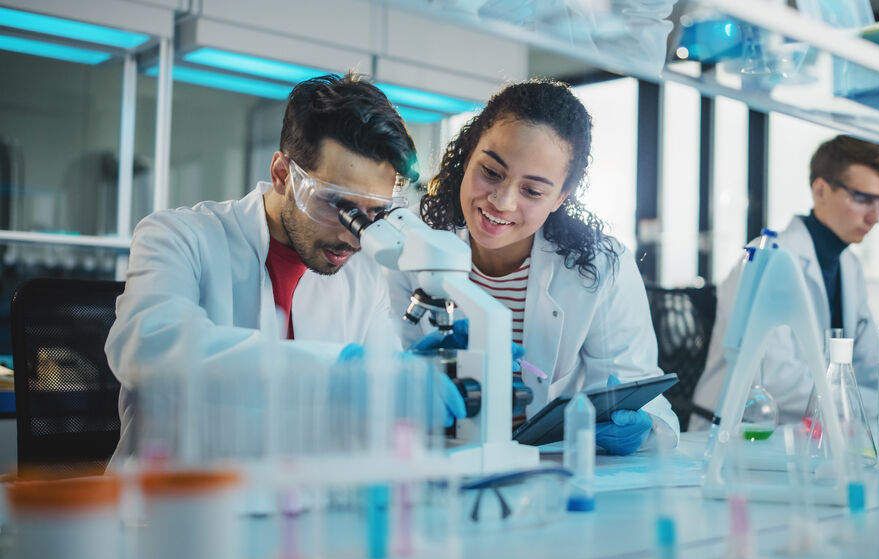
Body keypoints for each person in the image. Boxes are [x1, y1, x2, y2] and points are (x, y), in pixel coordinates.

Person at [105, 73, 465, 464]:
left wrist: (421, 379)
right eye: (338, 205)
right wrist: (341, 372)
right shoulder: (179, 237)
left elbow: (373, 409)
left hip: (296, 509)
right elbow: (149, 350)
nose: (355, 236)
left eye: (374, 213)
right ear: (281, 174)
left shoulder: (365, 275)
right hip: (173, 508)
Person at [391, 79, 681, 455]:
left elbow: (640, 392)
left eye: (532, 191)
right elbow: (369, 377)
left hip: (551, 471)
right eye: (491, 172)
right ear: (468, 155)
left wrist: (643, 430)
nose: (502, 201)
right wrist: (400, 378)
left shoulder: (601, 267)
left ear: (561, 196)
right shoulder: (404, 244)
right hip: (433, 463)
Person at [690, 135, 879, 430]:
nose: (875, 217)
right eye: (863, 199)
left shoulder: (849, 267)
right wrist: (875, 404)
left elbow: (866, 365)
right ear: (821, 190)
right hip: (737, 436)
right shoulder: (768, 258)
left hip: (807, 435)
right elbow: (776, 380)